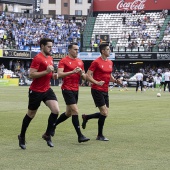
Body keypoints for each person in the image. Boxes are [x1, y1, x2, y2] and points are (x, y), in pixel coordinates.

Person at [18, 38, 59, 149]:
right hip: (35, 91)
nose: (51, 48)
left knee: (56, 110)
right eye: (49, 46)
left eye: (51, 46)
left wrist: (53, 75)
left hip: (46, 89)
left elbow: (50, 73)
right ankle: (21, 136)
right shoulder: (37, 58)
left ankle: (47, 134)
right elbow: (31, 75)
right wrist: (46, 71)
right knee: (31, 114)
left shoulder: (50, 58)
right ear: (42, 46)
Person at [51, 42, 90, 143]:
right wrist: (72, 72)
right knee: (75, 111)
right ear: (69, 50)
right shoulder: (63, 61)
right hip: (67, 88)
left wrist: (81, 73)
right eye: (75, 49)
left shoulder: (80, 62)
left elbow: (85, 77)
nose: (77, 51)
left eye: (78, 49)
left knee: (68, 113)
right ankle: (80, 136)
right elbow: (59, 74)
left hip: (76, 89)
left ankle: (53, 125)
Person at [81, 43, 121, 141]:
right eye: (107, 49)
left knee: (105, 113)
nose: (109, 51)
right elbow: (87, 75)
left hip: (105, 90)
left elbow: (109, 76)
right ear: (103, 51)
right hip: (96, 90)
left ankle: (87, 117)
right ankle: (99, 135)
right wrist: (96, 82)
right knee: (104, 112)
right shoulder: (96, 62)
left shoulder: (110, 62)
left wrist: (115, 80)